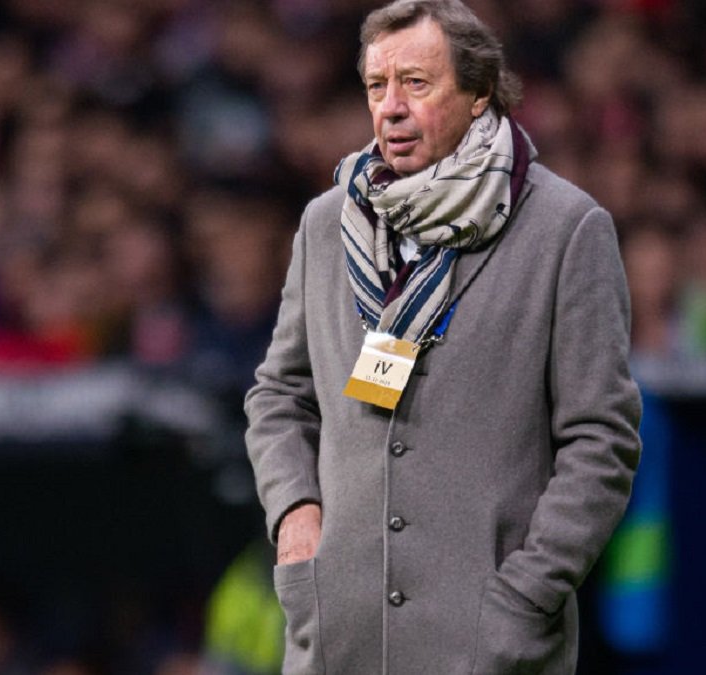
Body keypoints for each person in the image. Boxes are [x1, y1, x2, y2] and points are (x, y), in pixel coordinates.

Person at [243, 1, 642, 673]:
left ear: (479, 92)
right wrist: (295, 516)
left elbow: (601, 439)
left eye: (416, 83)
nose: (391, 107)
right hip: (341, 636)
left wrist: (527, 592)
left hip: (490, 643)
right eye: (377, 86)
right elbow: (279, 395)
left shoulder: (566, 229)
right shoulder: (327, 223)